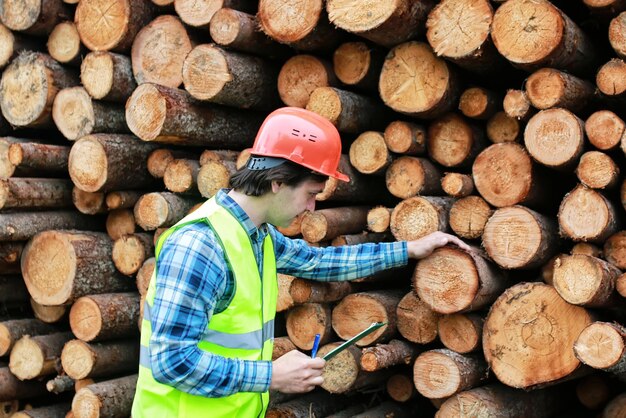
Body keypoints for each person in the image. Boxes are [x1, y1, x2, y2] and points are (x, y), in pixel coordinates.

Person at [131, 107, 470, 418]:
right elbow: (171, 362)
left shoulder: (256, 235)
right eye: (310, 193)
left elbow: (319, 262)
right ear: (277, 181)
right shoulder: (201, 246)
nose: (311, 209)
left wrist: (409, 250)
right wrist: (271, 376)